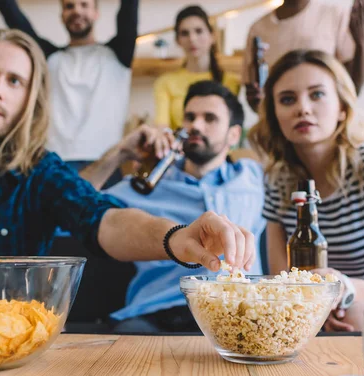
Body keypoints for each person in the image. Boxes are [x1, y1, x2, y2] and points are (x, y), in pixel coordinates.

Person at [0, 30, 255, 280]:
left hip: (13, 337)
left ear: (29, 99)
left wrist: (175, 236)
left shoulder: (38, 169)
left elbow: (104, 219)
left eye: (15, 81)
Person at [250, 49, 364, 332]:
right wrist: (314, 311)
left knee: (352, 312)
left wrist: (343, 288)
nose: (302, 108)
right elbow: (283, 283)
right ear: (275, 115)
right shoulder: (277, 182)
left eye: (316, 94)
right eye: (287, 99)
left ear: (343, 107)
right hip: (307, 322)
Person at [81, 80, 265, 332]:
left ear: (234, 134)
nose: (195, 126)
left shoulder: (253, 177)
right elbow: (71, 207)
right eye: (190, 117)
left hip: (241, 312)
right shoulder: (144, 186)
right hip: (159, 313)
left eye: (209, 118)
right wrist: (121, 152)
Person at [0, 0, 138, 184]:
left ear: (96, 13)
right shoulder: (49, 57)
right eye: (69, 6)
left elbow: (128, 10)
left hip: (106, 164)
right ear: (62, 15)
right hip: (54, 164)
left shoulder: (118, 54)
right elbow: (13, 17)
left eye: (84, 4)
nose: (76, 10)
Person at [243, 0, 364, 112]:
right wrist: (260, 103)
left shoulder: (333, 15)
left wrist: (361, 43)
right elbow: (254, 97)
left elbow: (352, 88)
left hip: (325, 124)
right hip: (277, 128)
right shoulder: (258, 29)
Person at [153, 6, 240, 131]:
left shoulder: (232, 81)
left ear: (212, 36)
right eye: (184, 33)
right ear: (178, 40)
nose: (192, 39)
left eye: (198, 31)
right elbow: (161, 129)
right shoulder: (165, 83)